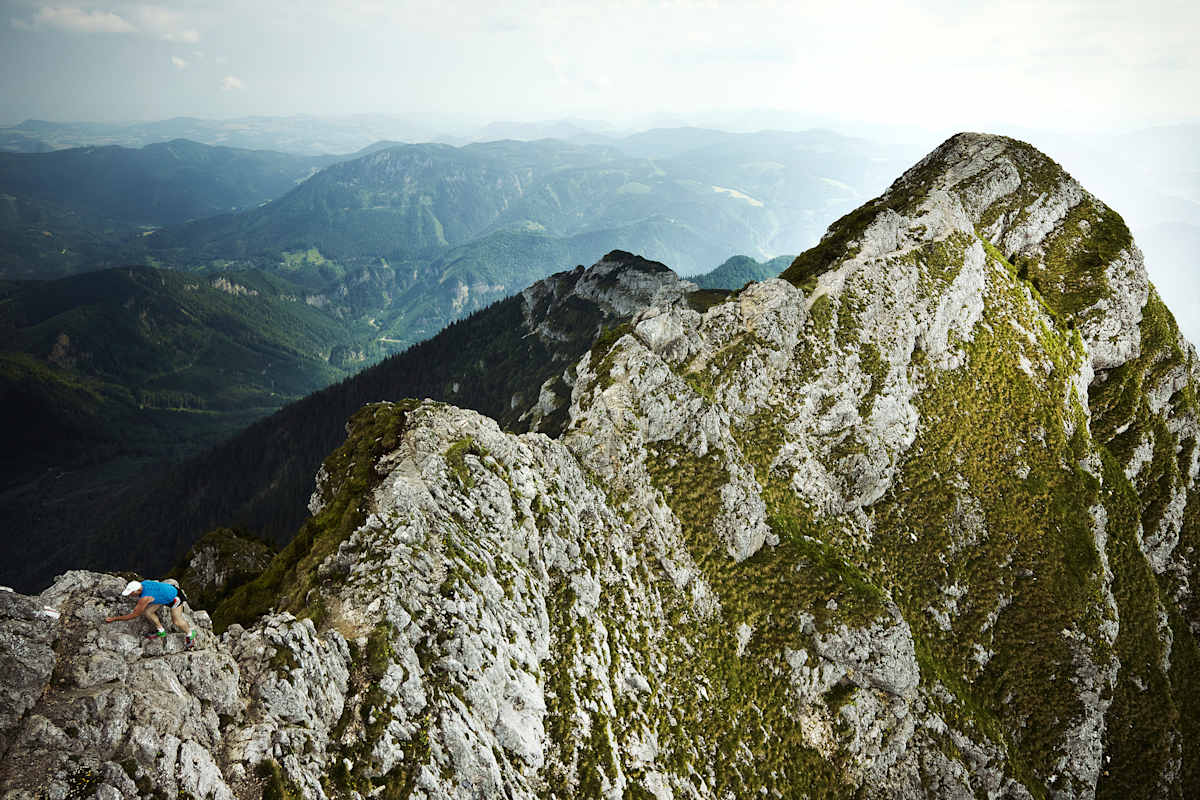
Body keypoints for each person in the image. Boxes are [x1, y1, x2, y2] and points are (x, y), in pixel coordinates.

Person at [105, 579, 196, 649]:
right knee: (148, 612)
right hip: (166, 593)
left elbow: (134, 615)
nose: (130, 595)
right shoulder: (143, 583)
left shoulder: (145, 598)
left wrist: (114, 619)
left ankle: (190, 633)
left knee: (176, 621)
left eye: (131, 593)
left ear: (138, 590)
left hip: (175, 598)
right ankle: (161, 631)